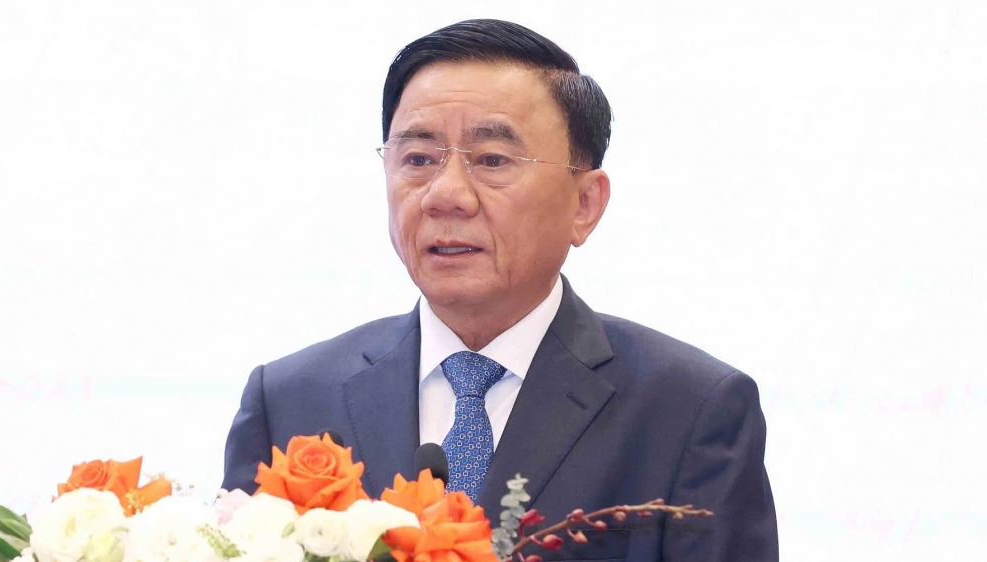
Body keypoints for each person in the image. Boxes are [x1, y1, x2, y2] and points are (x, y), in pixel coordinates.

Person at [222, 19, 778, 562]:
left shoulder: (690, 411)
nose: (445, 195)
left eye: (492, 160)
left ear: (585, 205)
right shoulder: (290, 399)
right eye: (418, 159)